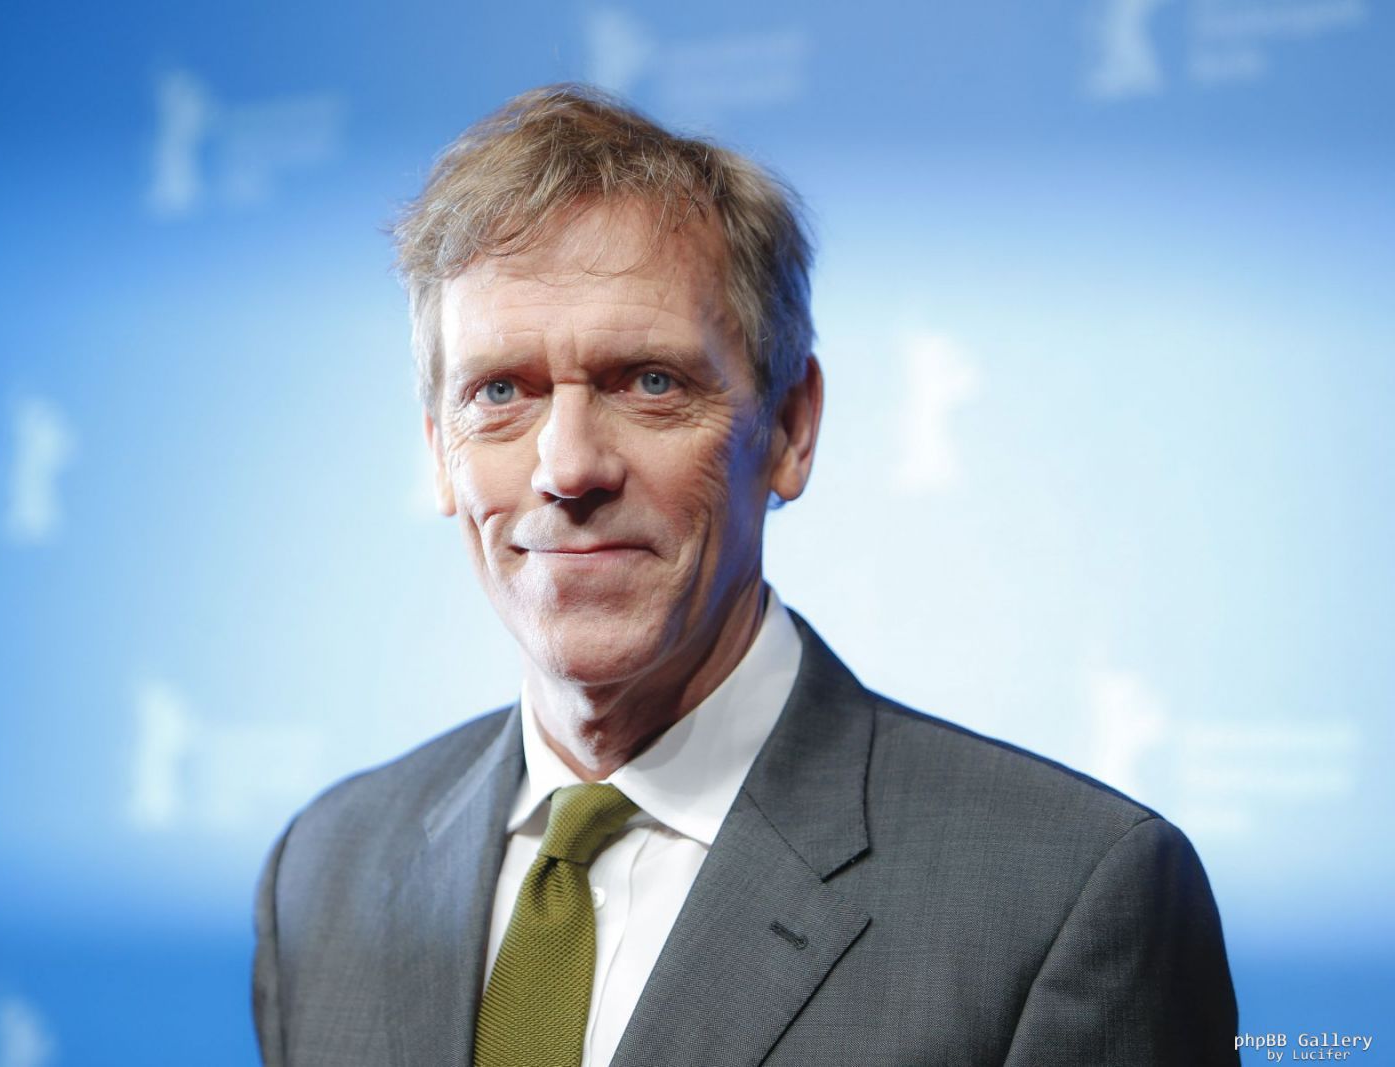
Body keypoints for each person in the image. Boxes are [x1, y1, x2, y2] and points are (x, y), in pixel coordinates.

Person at [251, 84, 1238, 1067]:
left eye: (650, 381)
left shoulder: (1066, 900)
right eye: (500, 391)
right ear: (439, 451)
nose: (568, 467)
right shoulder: (323, 875)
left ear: (791, 428)